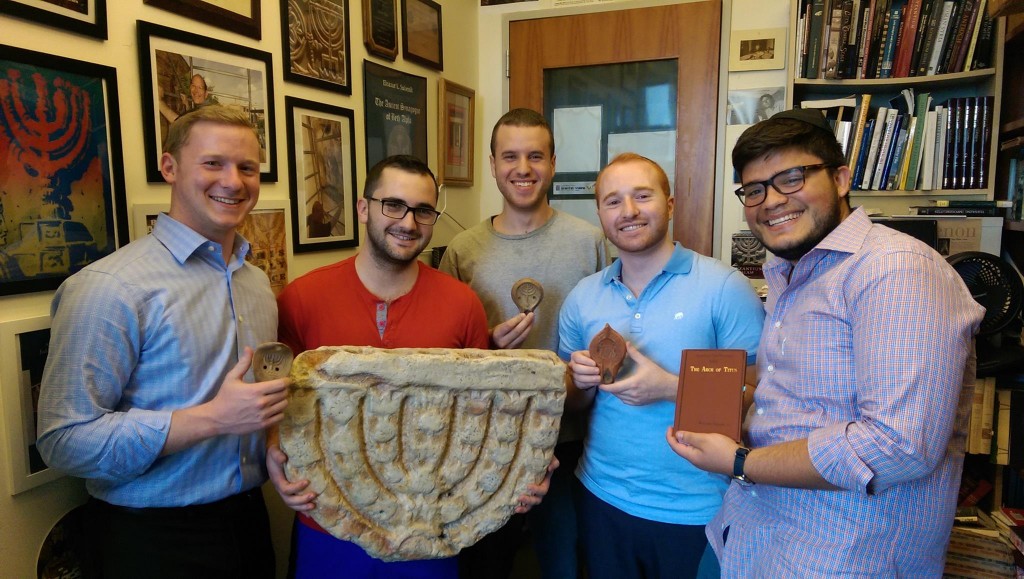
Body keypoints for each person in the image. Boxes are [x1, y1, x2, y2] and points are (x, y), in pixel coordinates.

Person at [667, 108, 985, 576]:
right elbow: (807, 397)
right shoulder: (788, 272)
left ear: (840, 179)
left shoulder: (893, 268)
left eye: (792, 178)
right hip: (748, 534)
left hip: (840, 556)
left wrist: (740, 461)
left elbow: (899, 445)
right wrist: (737, 404)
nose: (771, 201)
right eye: (754, 189)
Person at [267, 155, 553, 579]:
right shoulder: (302, 298)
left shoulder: (462, 304)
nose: (408, 222)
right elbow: (279, 402)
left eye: (423, 210)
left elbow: (477, 416)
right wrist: (272, 446)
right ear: (364, 208)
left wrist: (522, 463)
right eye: (393, 205)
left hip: (432, 528)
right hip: (328, 519)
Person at [36, 105, 286, 578]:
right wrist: (212, 418)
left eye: (247, 167)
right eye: (213, 163)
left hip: (250, 524)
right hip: (149, 542)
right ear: (169, 167)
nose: (233, 181)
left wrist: (268, 445)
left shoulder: (257, 285)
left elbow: (253, 407)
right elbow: (62, 440)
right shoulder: (110, 287)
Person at [559, 153, 765, 579]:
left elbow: (761, 405)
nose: (629, 211)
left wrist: (673, 387)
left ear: (669, 205)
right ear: (599, 213)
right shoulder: (582, 297)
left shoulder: (724, 288)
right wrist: (578, 382)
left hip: (698, 509)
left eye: (642, 196)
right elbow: (571, 406)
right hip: (600, 497)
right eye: (613, 201)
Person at [439, 108, 608, 579]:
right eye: (510, 156)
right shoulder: (463, 250)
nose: (523, 168)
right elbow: (448, 352)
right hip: (486, 441)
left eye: (536, 156)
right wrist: (486, 346)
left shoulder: (591, 242)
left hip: (573, 437)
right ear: (492, 164)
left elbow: (616, 328)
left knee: (566, 564)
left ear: (553, 163)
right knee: (484, 566)